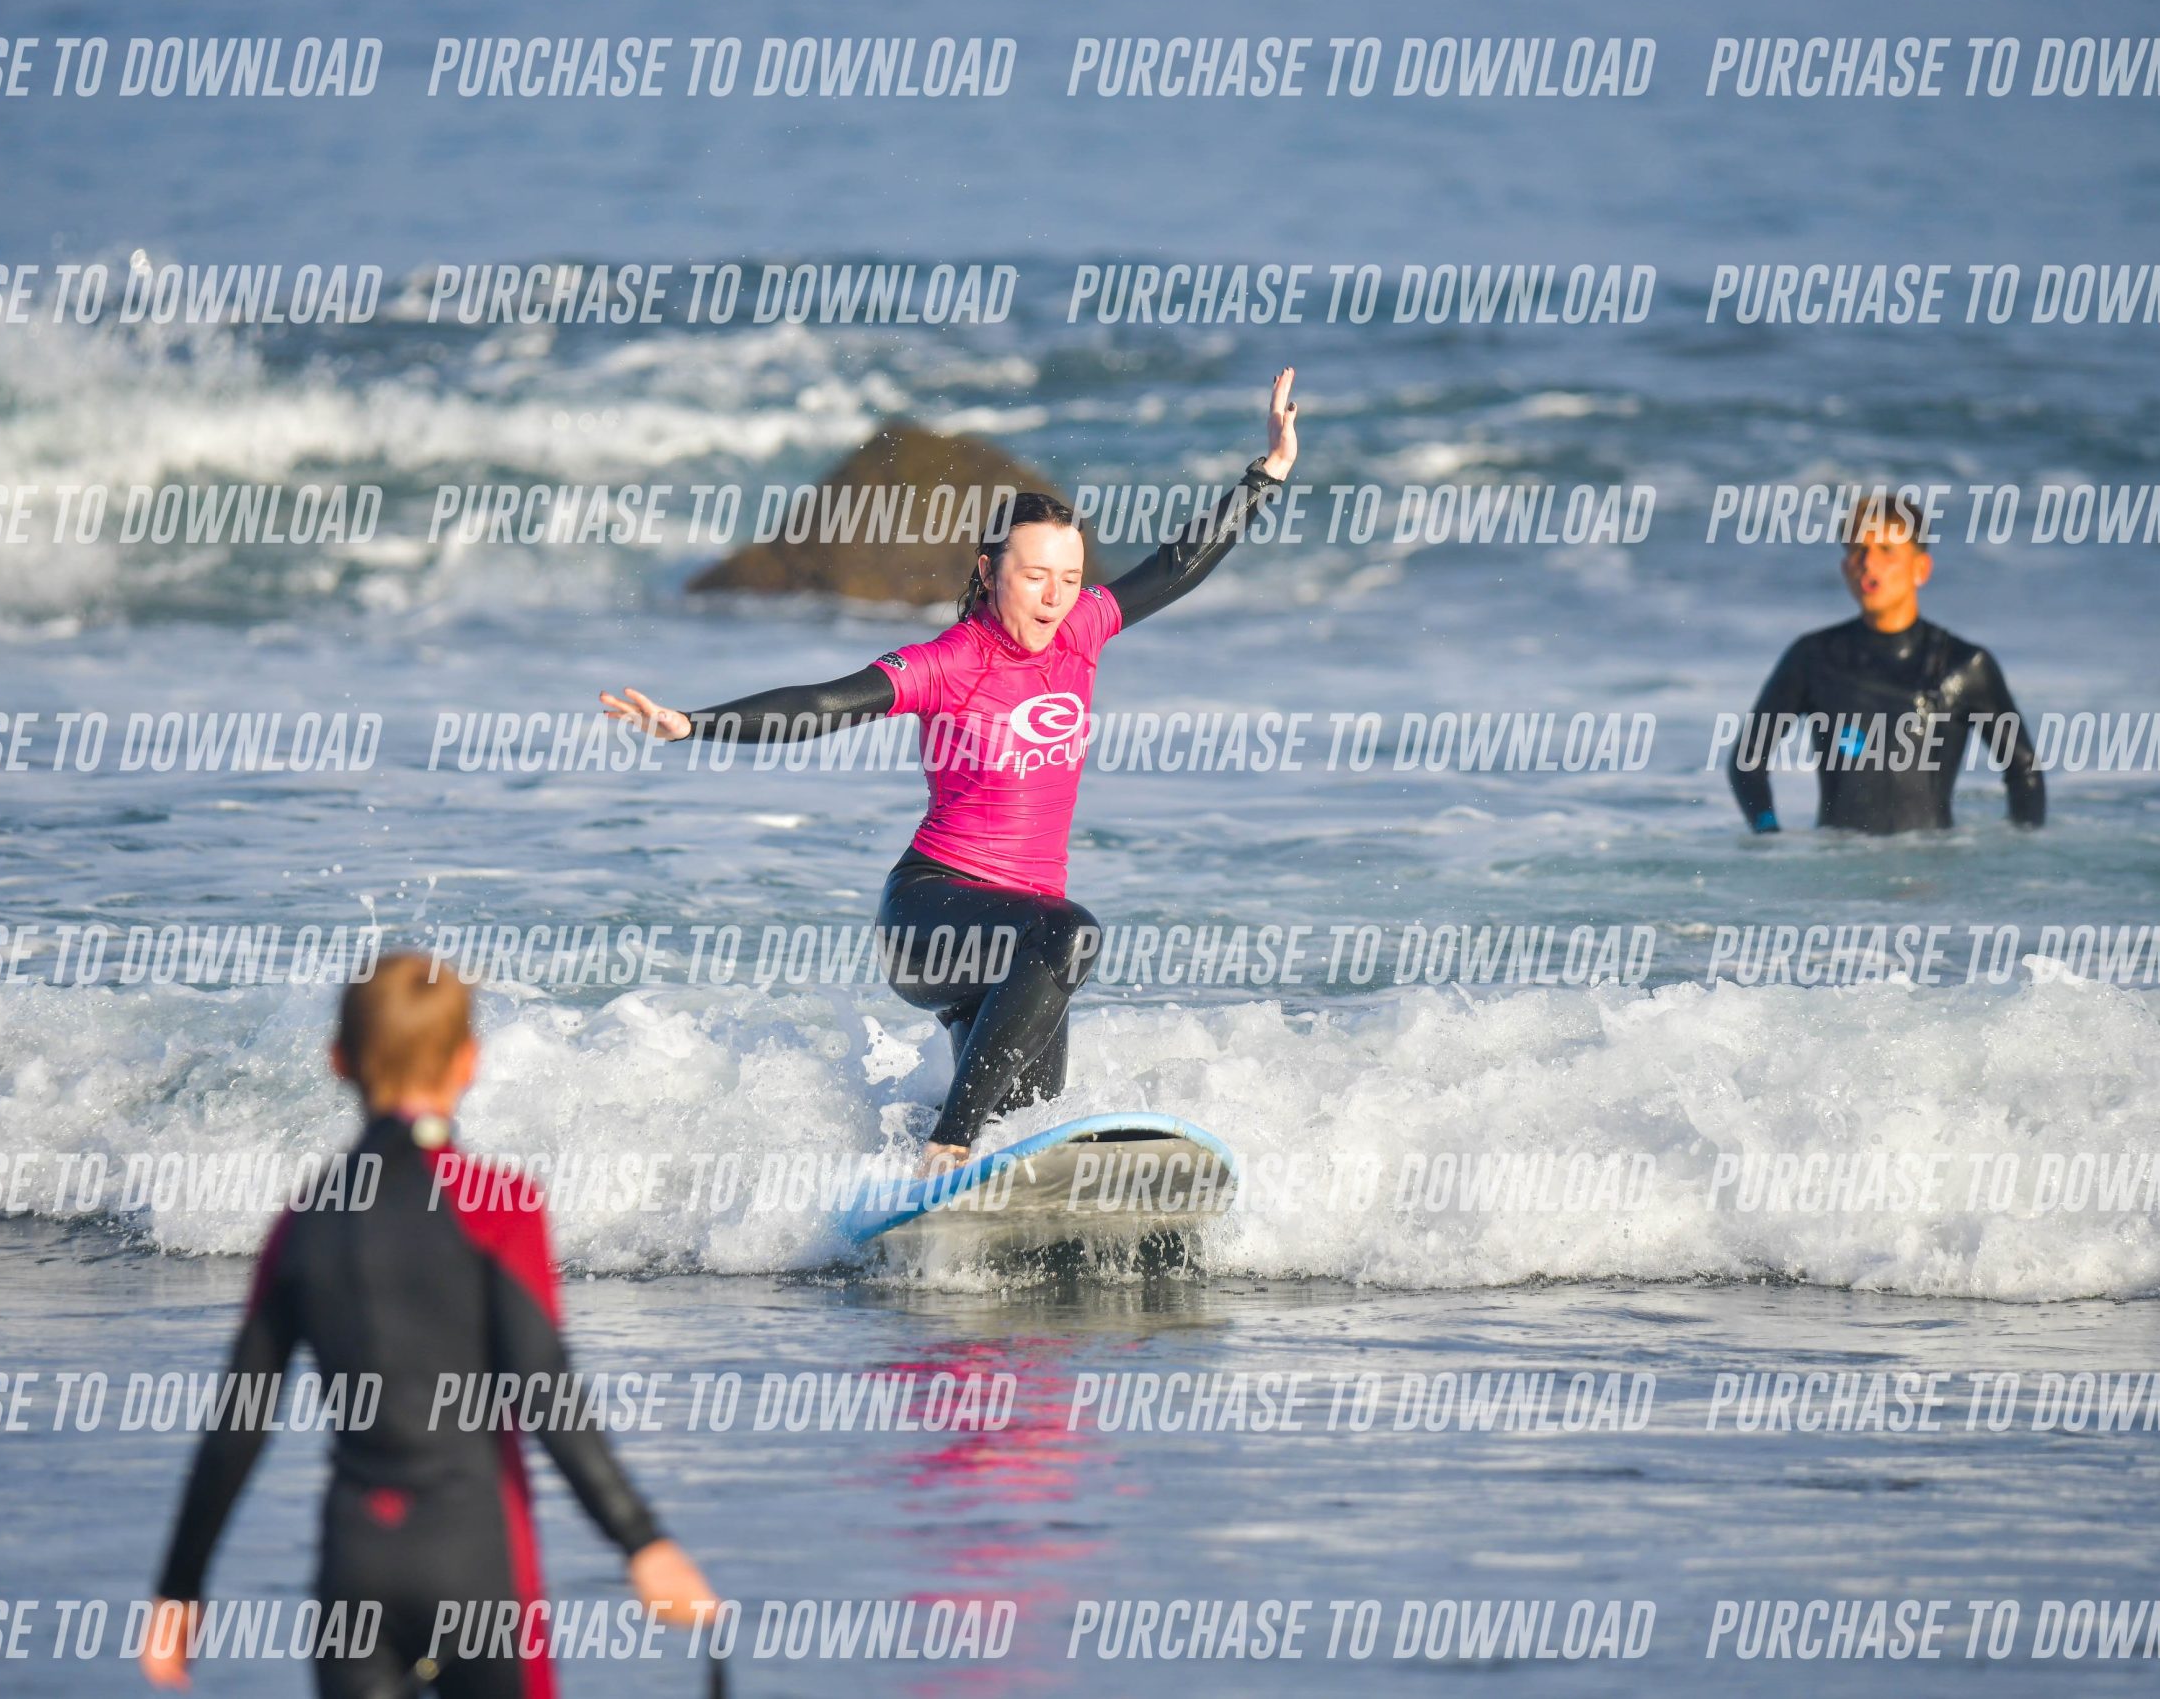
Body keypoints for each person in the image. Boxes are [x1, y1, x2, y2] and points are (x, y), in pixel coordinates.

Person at [604, 369, 1299, 1177]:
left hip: (1018, 939)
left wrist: (1267, 472)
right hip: (929, 917)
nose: (1054, 598)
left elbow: (1176, 565)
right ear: (988, 568)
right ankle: (946, 1146)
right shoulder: (950, 661)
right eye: (1034, 576)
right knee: (1070, 935)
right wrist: (695, 722)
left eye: (1069, 578)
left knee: (1028, 1116)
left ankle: (893, 1179)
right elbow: (826, 703)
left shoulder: (1082, 630)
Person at [140, 954, 715, 1696]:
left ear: (338, 1060)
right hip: (477, 1563)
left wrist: (179, 1588)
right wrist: (642, 1541)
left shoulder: (306, 1219)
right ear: (468, 1062)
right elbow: (545, 1390)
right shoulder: (498, 1207)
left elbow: (240, 1419)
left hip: (356, 1569)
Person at [1726, 493, 2044, 835]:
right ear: (1845, 567)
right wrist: (1768, 832)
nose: (1868, 562)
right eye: (1857, 549)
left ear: (1920, 569)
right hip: (1836, 862)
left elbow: (2024, 771)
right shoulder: (1813, 658)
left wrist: (2019, 857)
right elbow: (1747, 761)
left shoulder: (1963, 666)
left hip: (1931, 863)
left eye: (1886, 550)